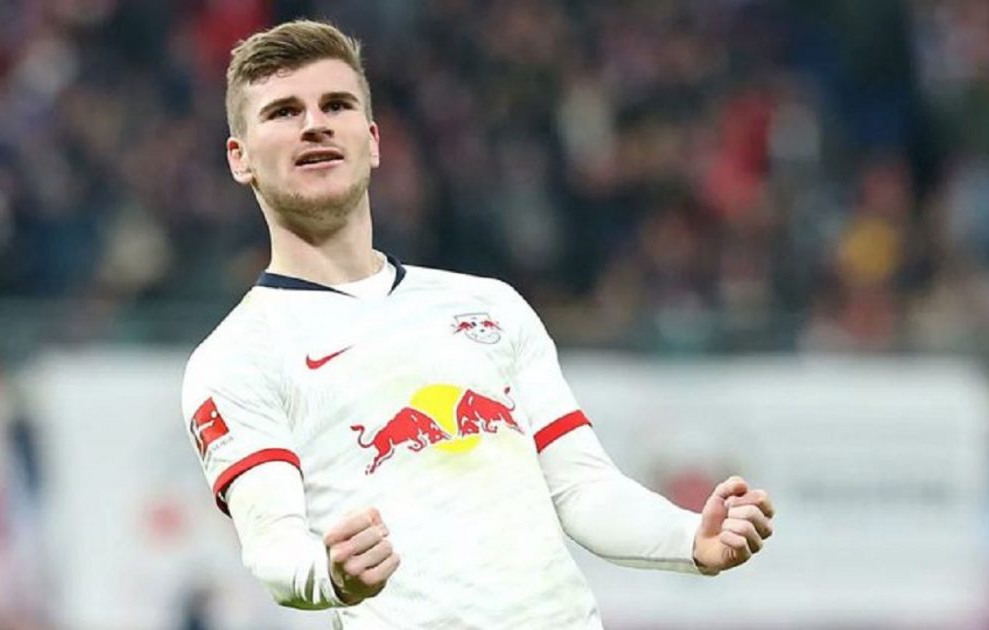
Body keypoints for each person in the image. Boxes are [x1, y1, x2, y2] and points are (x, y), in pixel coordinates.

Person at [181, 19, 775, 629]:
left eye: (337, 105)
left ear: (374, 140)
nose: (315, 124)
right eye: (284, 112)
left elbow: (581, 488)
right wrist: (328, 576)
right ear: (240, 158)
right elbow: (273, 546)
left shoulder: (490, 306)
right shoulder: (237, 357)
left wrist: (690, 538)